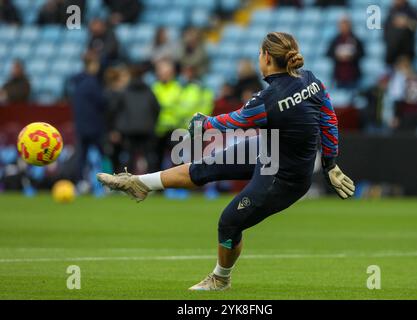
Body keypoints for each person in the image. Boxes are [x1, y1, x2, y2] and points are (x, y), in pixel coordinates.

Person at [97, 32, 355, 291]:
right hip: (270, 150)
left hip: (283, 177)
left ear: (266, 57)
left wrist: (204, 123)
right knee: (204, 167)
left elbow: (238, 121)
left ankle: (221, 279)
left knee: (229, 223)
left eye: (259, 53)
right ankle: (138, 183)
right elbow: (329, 118)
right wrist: (330, 162)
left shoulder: (269, 98)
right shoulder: (310, 79)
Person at [67, 53, 106, 182]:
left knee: (81, 157)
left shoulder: (76, 82)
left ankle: (81, 182)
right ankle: (108, 182)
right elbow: (102, 103)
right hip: (94, 126)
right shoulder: (92, 82)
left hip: (81, 126)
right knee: (102, 155)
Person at [327, 16, 364, 89]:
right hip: (339, 75)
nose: (344, 28)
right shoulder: (335, 40)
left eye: (346, 25)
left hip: (353, 75)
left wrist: (352, 56)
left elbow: (362, 53)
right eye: (342, 25)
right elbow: (329, 53)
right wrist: (338, 56)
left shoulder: (355, 39)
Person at [384, 0, 417, 66]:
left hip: (406, 51)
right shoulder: (392, 10)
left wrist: (406, 22)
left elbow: (416, 25)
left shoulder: (411, 10)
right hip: (393, 52)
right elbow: (386, 27)